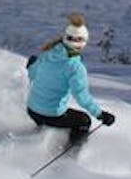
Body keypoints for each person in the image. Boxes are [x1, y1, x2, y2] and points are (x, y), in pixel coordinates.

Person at [25, 12, 116, 151]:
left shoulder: (47, 54)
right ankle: (69, 159)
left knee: (51, 114)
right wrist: (100, 114)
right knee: (83, 121)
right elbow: (82, 97)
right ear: (83, 43)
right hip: (51, 115)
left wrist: (31, 65)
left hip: (32, 109)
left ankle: (37, 134)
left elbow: (33, 75)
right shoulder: (75, 67)